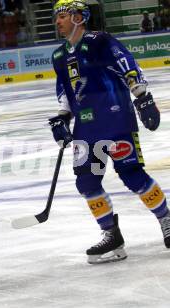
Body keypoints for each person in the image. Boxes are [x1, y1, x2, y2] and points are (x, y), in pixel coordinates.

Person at [48, 0, 170, 264]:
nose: (57, 21)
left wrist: (142, 97)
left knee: (132, 174)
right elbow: (64, 90)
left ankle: (166, 219)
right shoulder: (58, 55)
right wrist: (62, 118)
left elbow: (127, 63)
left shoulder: (100, 40)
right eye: (56, 16)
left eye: (63, 16)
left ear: (79, 17)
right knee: (86, 181)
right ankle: (111, 235)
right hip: (85, 127)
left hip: (115, 118)